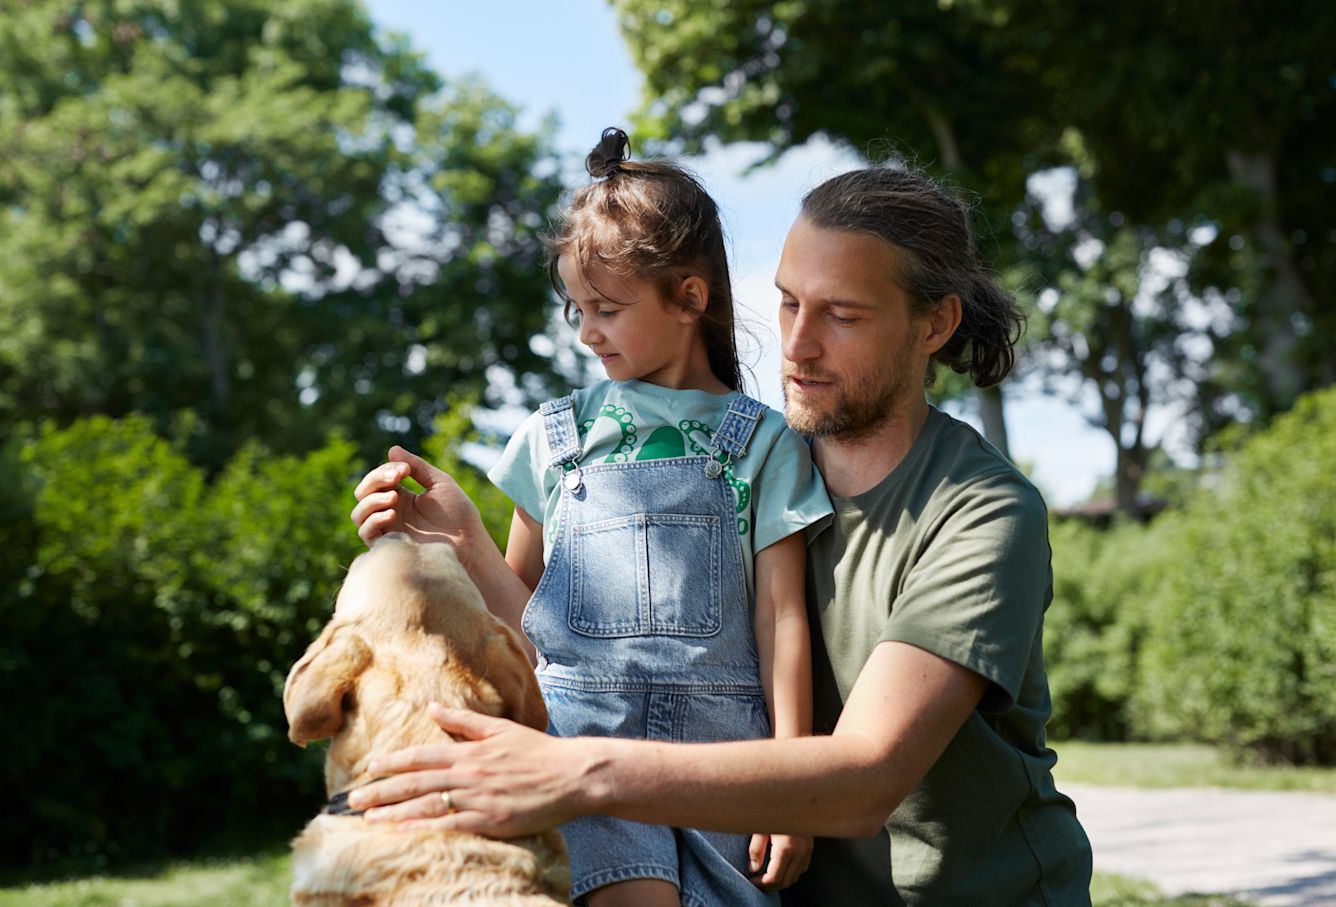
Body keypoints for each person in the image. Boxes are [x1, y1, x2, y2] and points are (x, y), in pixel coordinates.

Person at [348, 161, 1095, 905]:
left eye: (842, 314)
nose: (797, 345)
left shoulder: (979, 513)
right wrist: (460, 546)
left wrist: (573, 772)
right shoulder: (737, 458)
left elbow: (865, 778)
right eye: (789, 302)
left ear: (935, 324)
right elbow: (557, 643)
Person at [384, 127, 832, 907]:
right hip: (576, 745)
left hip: (725, 765)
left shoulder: (764, 442)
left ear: (690, 298)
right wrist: (463, 538)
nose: (588, 331)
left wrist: (792, 783)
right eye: (577, 309)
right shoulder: (551, 440)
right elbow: (528, 640)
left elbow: (781, 621)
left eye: (609, 309)